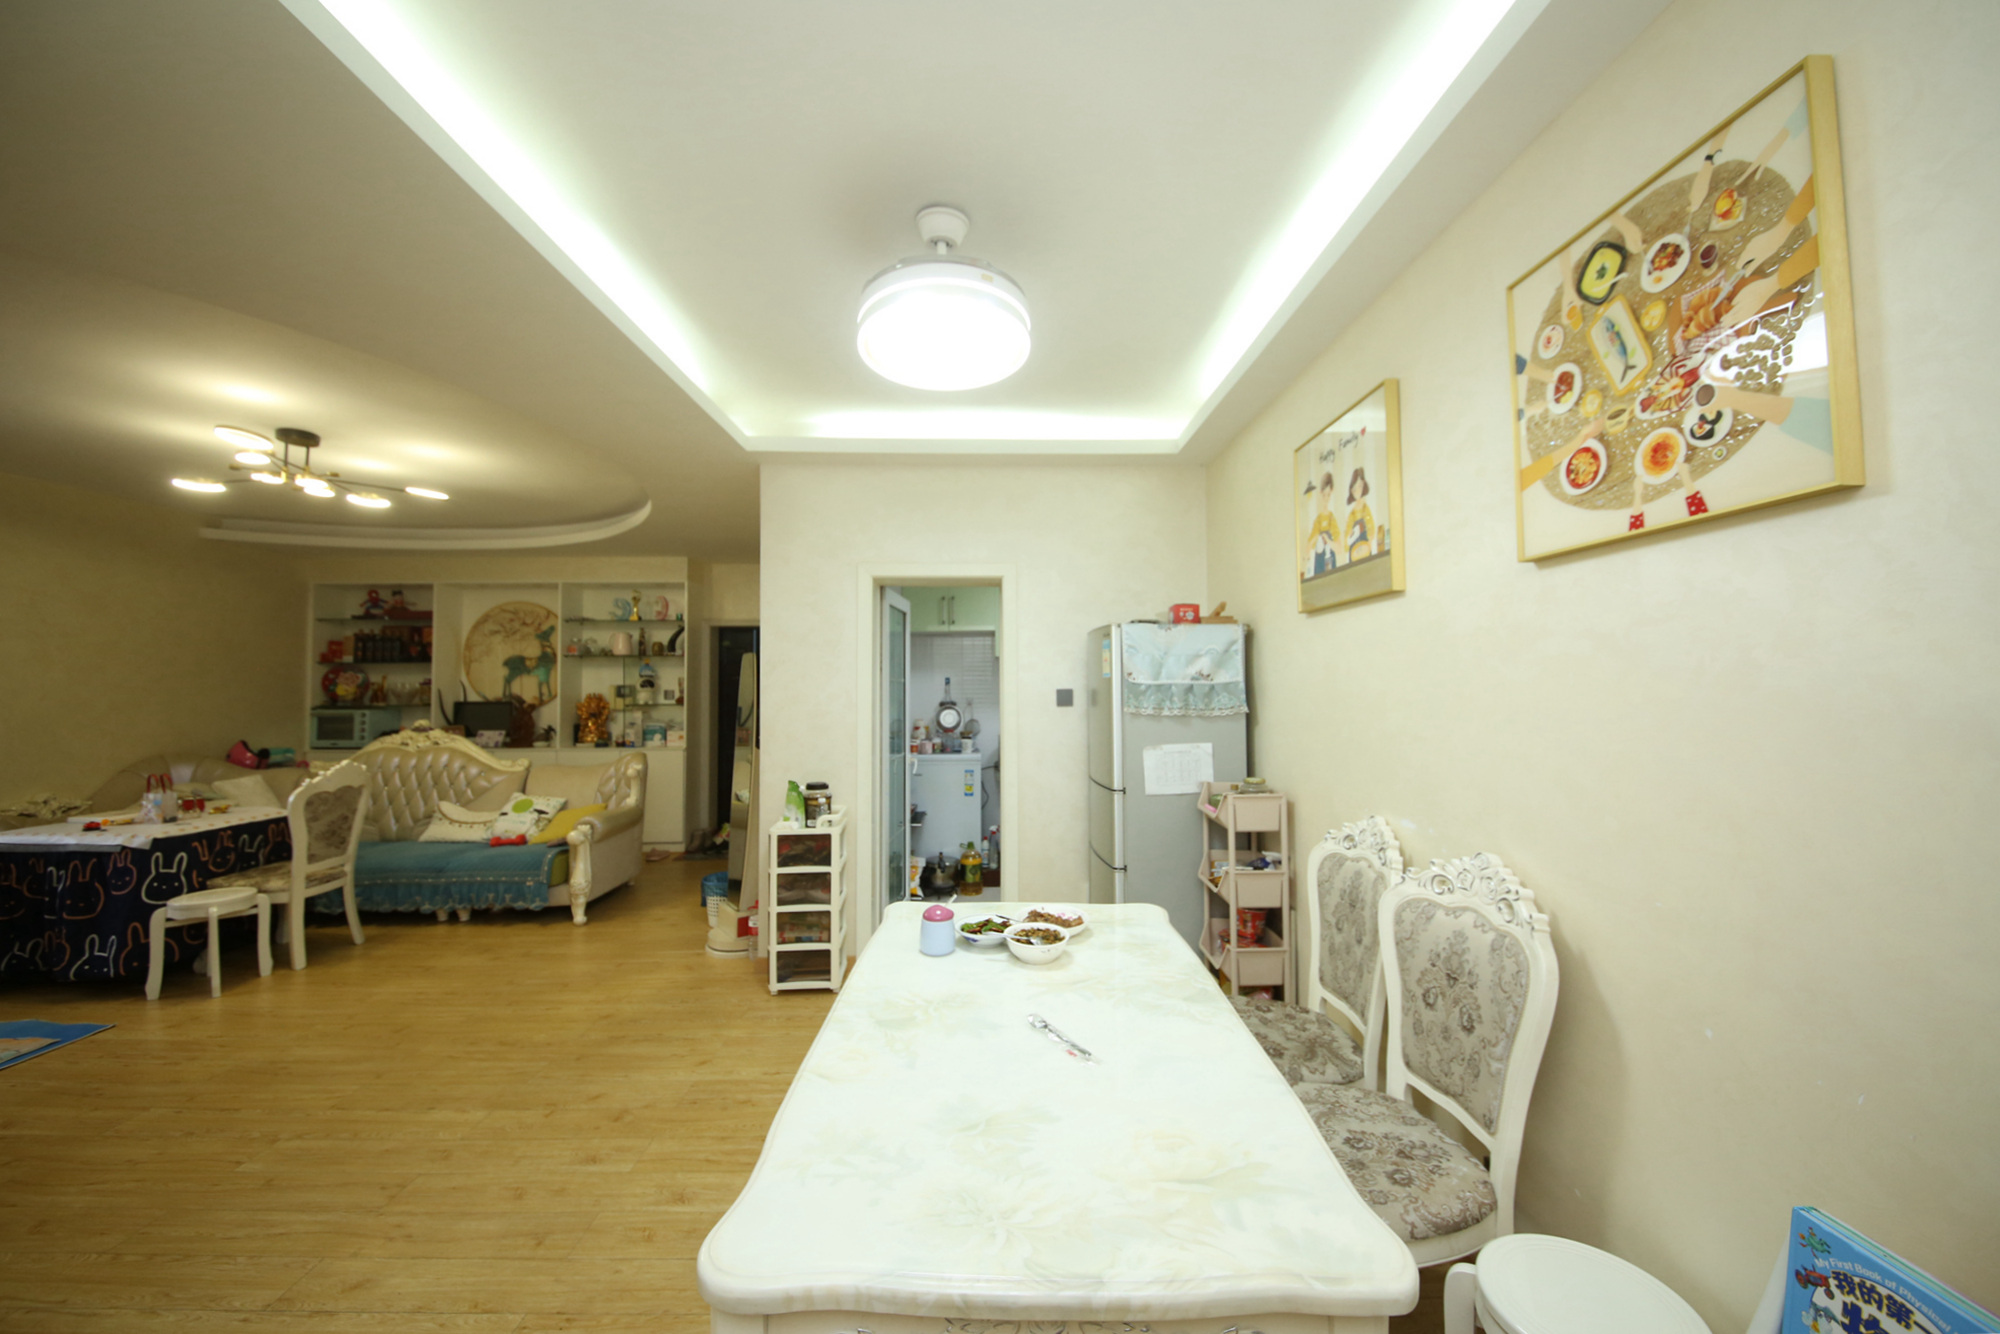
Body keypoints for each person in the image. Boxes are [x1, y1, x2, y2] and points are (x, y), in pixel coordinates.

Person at [1305, 472, 1341, 576]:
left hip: (1330, 562)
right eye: (1324, 495)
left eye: (1328, 495)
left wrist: (1328, 541)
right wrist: (1315, 539)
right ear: (1320, 493)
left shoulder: (1331, 519)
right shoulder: (1317, 520)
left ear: (1331, 493)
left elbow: (1339, 548)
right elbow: (1308, 546)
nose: (1326, 498)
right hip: (1319, 564)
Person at [1345, 468, 1379, 563]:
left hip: (1365, 547)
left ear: (1363, 486)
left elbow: (1371, 527)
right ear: (1352, 491)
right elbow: (1347, 535)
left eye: (1359, 486)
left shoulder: (1365, 509)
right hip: (1354, 550)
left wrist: (1370, 541)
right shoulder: (1351, 514)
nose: (1357, 491)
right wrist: (1350, 534)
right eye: (1355, 489)